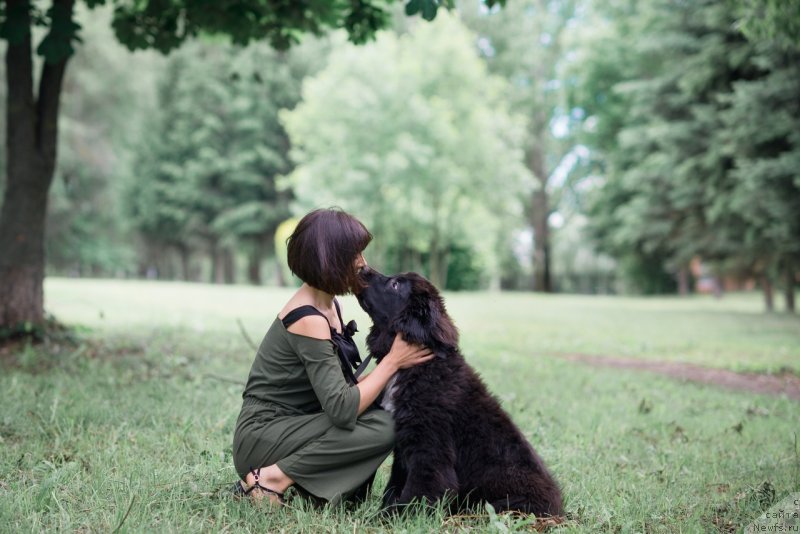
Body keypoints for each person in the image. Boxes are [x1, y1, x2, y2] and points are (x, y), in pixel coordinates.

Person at [232, 208, 433, 507]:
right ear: (330, 259)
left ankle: (303, 486)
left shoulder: (329, 305)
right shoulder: (307, 317)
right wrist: (392, 361)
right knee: (384, 427)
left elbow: (339, 390)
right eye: (354, 255)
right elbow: (341, 408)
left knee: (380, 415)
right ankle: (271, 478)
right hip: (264, 434)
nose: (363, 263)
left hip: (297, 425)